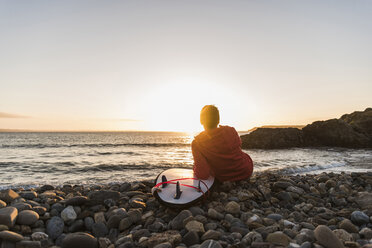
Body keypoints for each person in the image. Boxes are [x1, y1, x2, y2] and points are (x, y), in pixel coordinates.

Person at [192, 105, 253, 182]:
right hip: (245, 171)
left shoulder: (197, 143)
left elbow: (203, 175)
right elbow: (238, 145)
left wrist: (194, 167)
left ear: (201, 121)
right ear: (218, 120)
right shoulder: (231, 131)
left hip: (226, 178)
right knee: (244, 155)